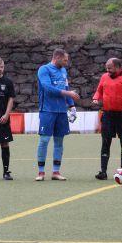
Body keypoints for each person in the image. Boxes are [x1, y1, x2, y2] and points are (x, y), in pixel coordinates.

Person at [36, 49, 78, 181]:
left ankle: (56, 171)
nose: (66, 63)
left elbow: (66, 89)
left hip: (61, 112)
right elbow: (47, 88)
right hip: (47, 110)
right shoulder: (44, 69)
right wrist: (68, 94)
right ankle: (41, 172)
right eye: (65, 60)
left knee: (59, 141)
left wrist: (71, 106)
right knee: (44, 140)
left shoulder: (63, 71)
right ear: (57, 58)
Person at [92, 58, 122, 180]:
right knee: (105, 142)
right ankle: (103, 172)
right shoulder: (104, 77)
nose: (108, 71)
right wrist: (96, 98)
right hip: (107, 115)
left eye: (110, 68)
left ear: (118, 67)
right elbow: (99, 91)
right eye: (106, 68)